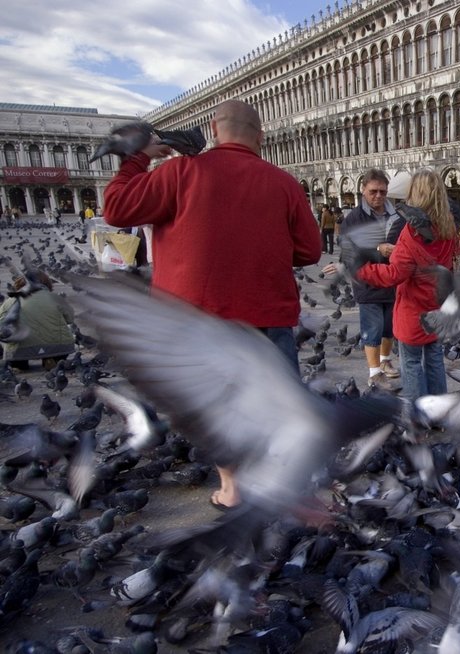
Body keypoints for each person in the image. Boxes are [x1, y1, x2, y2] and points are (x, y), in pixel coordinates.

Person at [102, 99, 322, 510]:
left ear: (213, 129)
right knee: (279, 405)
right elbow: (310, 250)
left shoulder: (179, 172)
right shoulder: (283, 183)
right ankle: (287, 487)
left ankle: (233, 488)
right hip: (266, 318)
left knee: (219, 411)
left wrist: (134, 162)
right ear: (260, 137)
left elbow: (115, 209)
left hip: (195, 324)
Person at [354, 170, 460, 402]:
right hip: (436, 304)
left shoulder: (412, 231)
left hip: (413, 308)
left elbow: (395, 274)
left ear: (416, 193)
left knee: (411, 361)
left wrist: (362, 269)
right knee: (434, 357)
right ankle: (439, 411)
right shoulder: (449, 227)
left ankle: (418, 415)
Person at [334, 168, 405, 390]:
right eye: (373, 191)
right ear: (363, 190)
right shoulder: (354, 218)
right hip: (367, 280)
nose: (378, 196)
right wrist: (377, 248)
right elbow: (347, 250)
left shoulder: (398, 216)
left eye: (383, 192)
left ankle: (384, 361)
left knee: (388, 327)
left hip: (392, 279)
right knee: (372, 328)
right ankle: (374, 373)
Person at [0, 272, 75, 370]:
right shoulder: (55, 298)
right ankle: (51, 359)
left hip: (20, 349)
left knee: (15, 356)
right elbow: (70, 319)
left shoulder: (10, 301)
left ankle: (20, 365)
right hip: (59, 347)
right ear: (47, 283)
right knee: (57, 352)